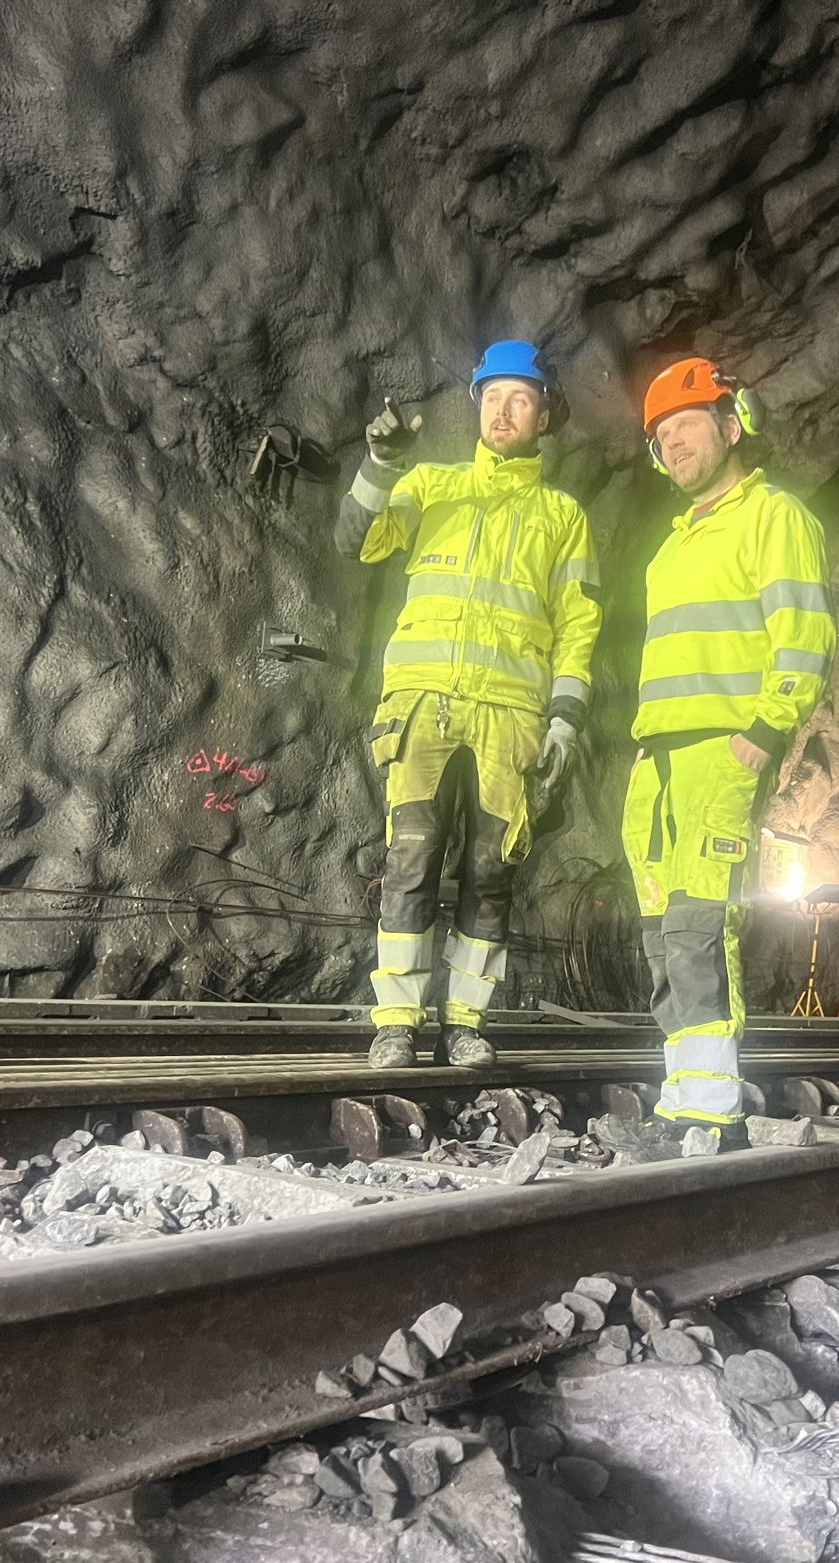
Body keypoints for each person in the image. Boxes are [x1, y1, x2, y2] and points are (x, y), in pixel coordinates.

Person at [334, 342, 602, 1070]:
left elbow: (579, 626)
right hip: (422, 706)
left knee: (491, 871)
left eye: (519, 399)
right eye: (490, 397)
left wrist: (564, 720)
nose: (501, 411)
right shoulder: (430, 484)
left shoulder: (562, 517)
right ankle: (396, 1020)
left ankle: (464, 1022)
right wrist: (381, 463)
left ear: (545, 414)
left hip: (510, 716)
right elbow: (354, 540)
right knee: (411, 857)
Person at [605, 356, 835, 1154]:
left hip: (721, 751)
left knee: (701, 922)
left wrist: (764, 732)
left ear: (733, 425)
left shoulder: (774, 516)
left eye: (688, 427)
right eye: (662, 436)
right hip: (659, 758)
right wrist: (643, 750)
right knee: (662, 927)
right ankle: (685, 1090)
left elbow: (802, 637)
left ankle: (710, 1104)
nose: (674, 446)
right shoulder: (670, 548)